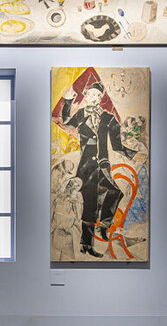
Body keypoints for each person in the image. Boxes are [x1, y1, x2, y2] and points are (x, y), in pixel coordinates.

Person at [58, 77, 144, 257]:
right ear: (86, 96)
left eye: (98, 95)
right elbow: (65, 121)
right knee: (89, 204)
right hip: (86, 167)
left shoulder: (108, 118)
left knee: (116, 192)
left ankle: (104, 225)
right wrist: (68, 101)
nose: (94, 98)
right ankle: (86, 244)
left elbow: (117, 146)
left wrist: (135, 155)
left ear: (101, 98)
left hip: (103, 164)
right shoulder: (81, 114)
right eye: (91, 94)